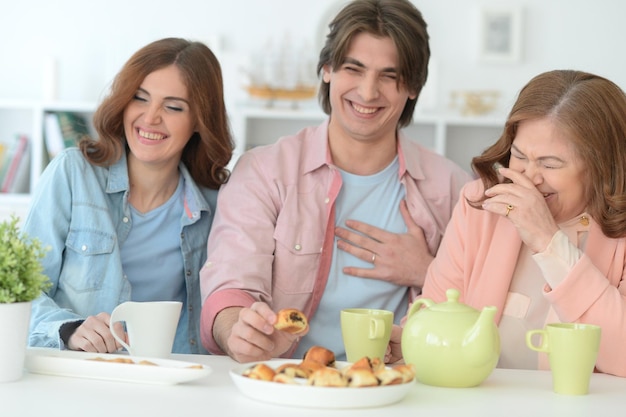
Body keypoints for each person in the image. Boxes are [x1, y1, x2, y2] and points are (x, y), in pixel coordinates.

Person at [200, 0, 471, 363]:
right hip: (286, 382)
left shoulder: (453, 188)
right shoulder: (264, 171)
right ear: (327, 69)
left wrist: (427, 271)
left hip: (401, 387)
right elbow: (231, 283)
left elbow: (481, 311)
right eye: (353, 69)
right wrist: (237, 329)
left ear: (413, 88)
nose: (369, 91)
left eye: (389, 76)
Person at [26, 37, 234, 354]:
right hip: (80, 373)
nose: (150, 118)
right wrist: (69, 329)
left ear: (199, 121)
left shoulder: (218, 203)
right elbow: (19, 290)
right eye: (140, 98)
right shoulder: (72, 174)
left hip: (167, 378)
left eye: (173, 106)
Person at [420, 69, 626, 377]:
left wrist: (548, 241)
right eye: (519, 156)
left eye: (549, 163)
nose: (529, 178)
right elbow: (433, 314)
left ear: (601, 166)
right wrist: (410, 342)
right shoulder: (480, 203)